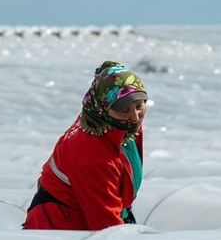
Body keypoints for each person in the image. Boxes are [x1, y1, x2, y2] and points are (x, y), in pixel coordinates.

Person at [23, 60, 148, 230]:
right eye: (123, 109)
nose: (135, 117)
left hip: (88, 216)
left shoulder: (110, 123)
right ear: (103, 107)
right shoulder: (93, 154)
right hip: (60, 230)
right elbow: (105, 225)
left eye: (139, 105)